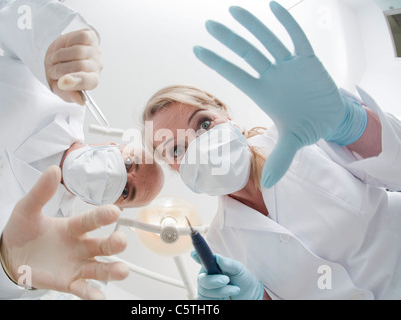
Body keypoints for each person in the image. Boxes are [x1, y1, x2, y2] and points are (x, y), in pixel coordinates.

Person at [141, 2, 401, 299]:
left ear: (225, 115)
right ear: (173, 167)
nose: (199, 147)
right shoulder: (219, 245)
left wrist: (348, 121)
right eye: (176, 150)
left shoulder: (304, 135)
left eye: (202, 124)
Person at [0, 0, 163, 299]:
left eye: (127, 191)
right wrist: (60, 44)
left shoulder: (52, 235)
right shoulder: (61, 92)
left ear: (114, 208)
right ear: (114, 145)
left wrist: (13, 268)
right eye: (130, 164)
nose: (120, 177)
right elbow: (12, 16)